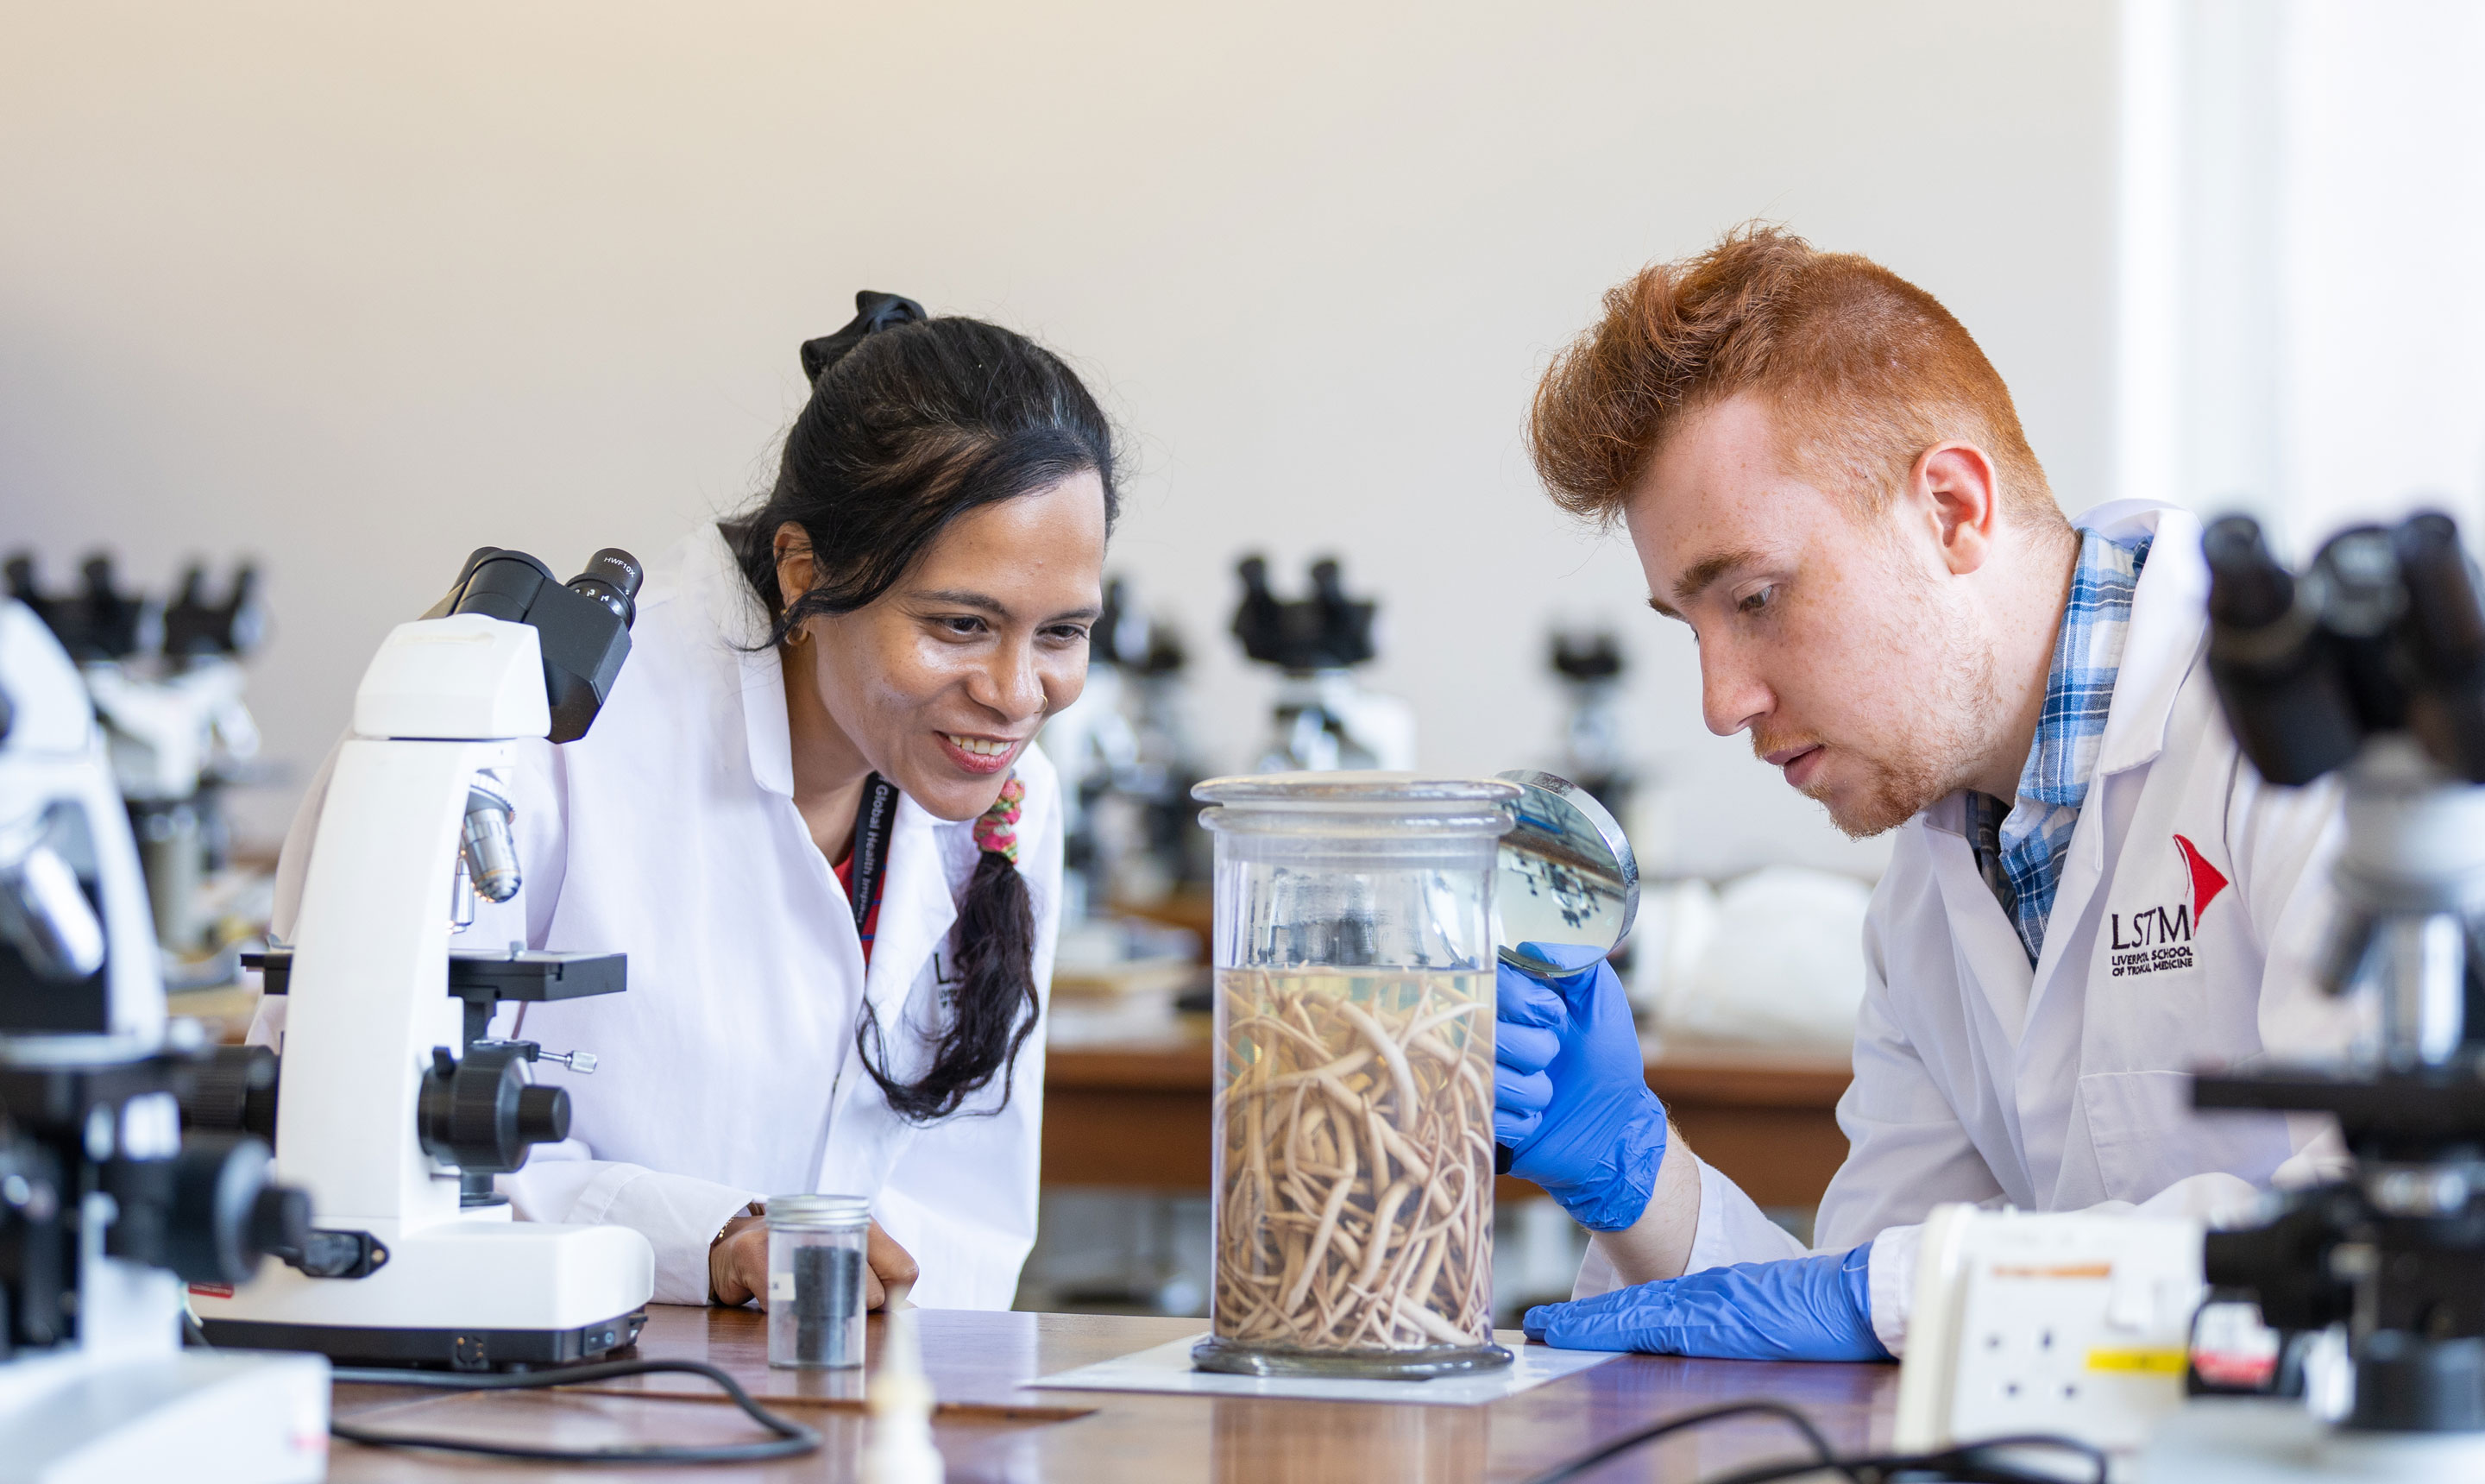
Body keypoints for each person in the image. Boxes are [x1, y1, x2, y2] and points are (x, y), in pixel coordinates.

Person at [1497, 228, 2353, 1361]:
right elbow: (1873, 1317)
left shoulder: (2314, 744)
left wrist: (1894, 1300)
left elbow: (2392, 1233)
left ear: (1951, 511)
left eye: (1754, 597)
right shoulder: (1930, 885)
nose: (1719, 701)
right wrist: (1634, 1168)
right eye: (1688, 626)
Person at [261, 292, 1115, 1311]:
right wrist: (700, 1240)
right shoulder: (531, 734)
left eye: (1061, 633)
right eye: (962, 625)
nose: (1019, 694)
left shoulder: (1011, 795)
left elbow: (967, 1221)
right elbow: (356, 1143)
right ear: (804, 572)